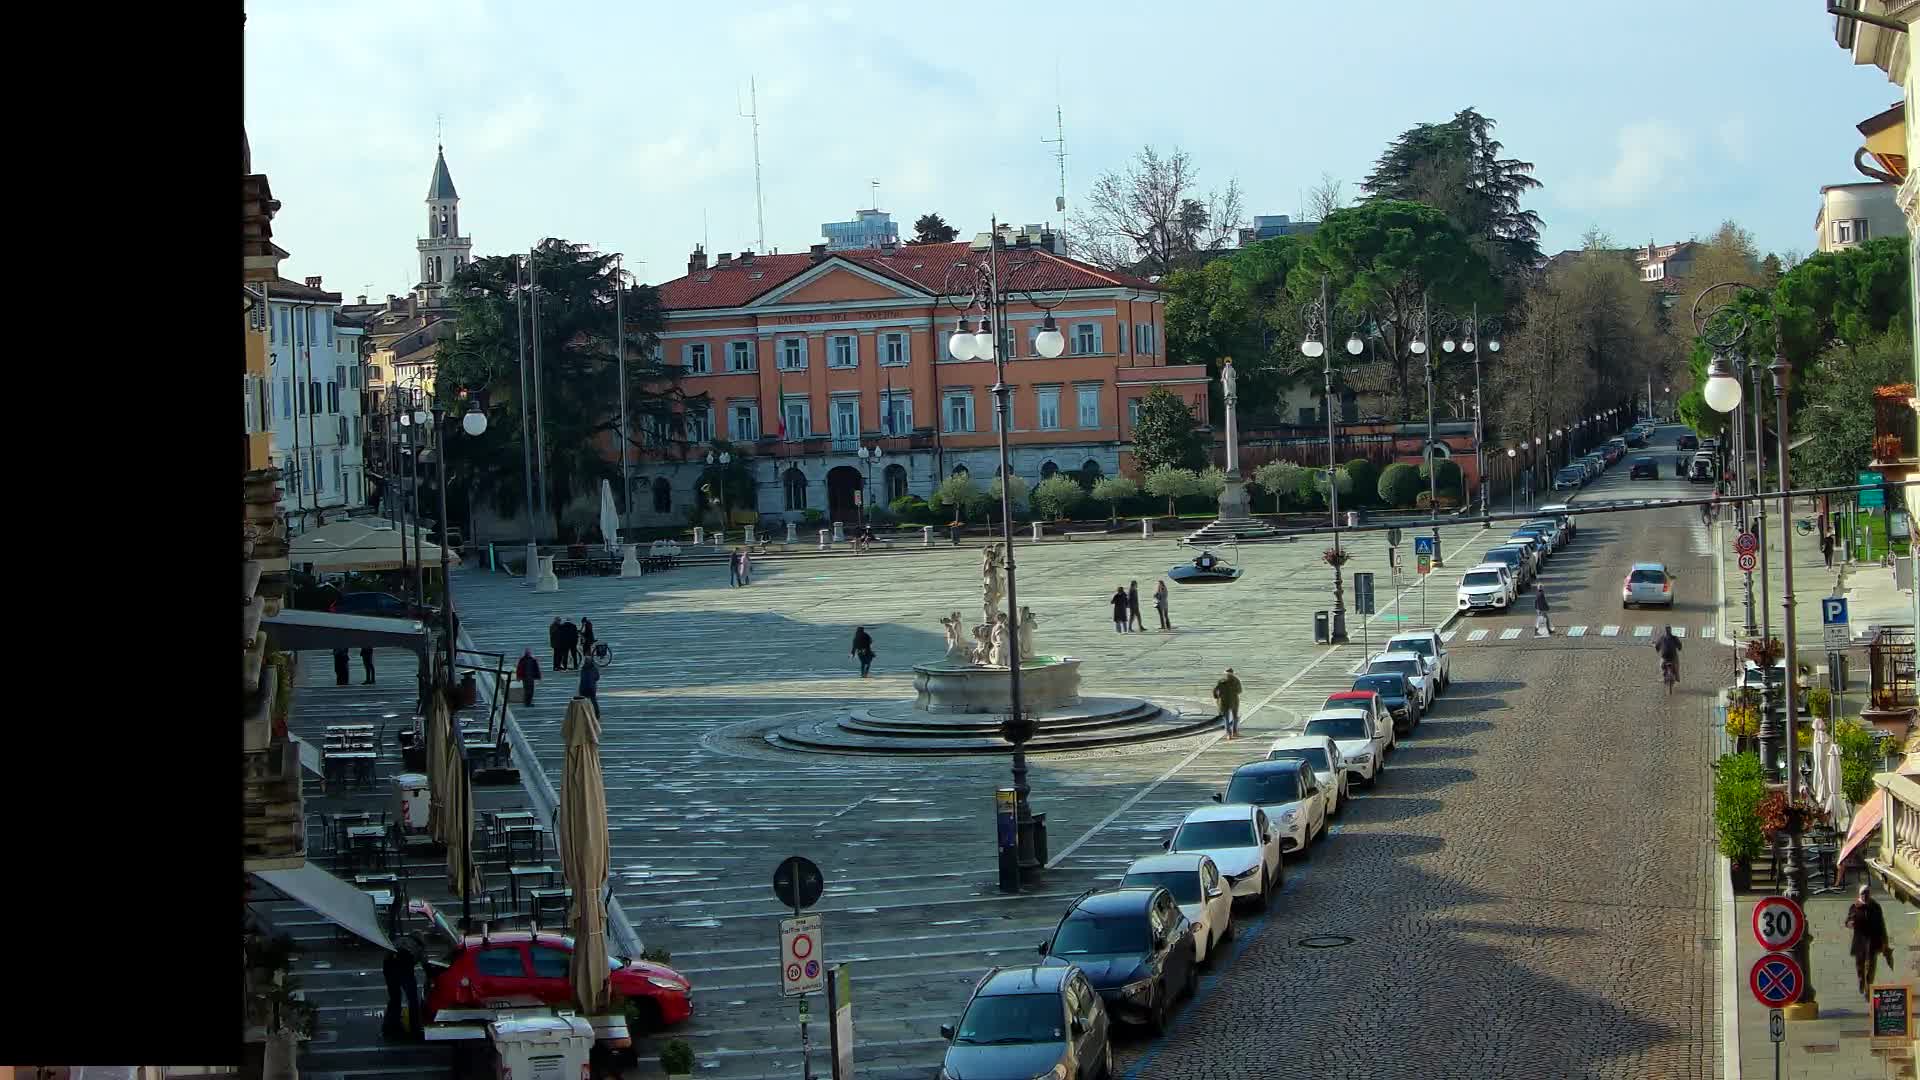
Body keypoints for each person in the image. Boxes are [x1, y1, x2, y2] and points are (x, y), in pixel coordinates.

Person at [1846, 883, 1895, 998]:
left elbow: (1881, 924)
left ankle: (1869, 989)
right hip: (1860, 941)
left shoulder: (1876, 906)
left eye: (1867, 893)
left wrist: (1884, 941)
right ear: (1859, 895)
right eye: (1863, 894)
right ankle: (1861, 980)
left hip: (1873, 940)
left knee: (1871, 967)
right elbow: (1847, 921)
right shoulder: (1855, 906)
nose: (1865, 896)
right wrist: (1850, 923)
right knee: (1860, 965)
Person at [382, 932, 425, 1040]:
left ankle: (389, 1027)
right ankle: (415, 1029)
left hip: (388, 966)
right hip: (405, 967)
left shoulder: (399, 940)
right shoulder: (418, 946)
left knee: (395, 998)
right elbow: (426, 963)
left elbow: (386, 955)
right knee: (412, 1000)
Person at [1213, 668, 1243, 738]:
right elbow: (1239, 691)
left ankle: (1228, 734)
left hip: (1223, 701)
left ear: (1225, 673)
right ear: (1232, 673)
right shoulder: (1236, 680)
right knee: (1235, 717)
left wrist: (1216, 697)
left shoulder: (1221, 681)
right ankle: (1235, 732)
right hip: (1234, 701)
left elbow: (1215, 690)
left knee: (1226, 718)